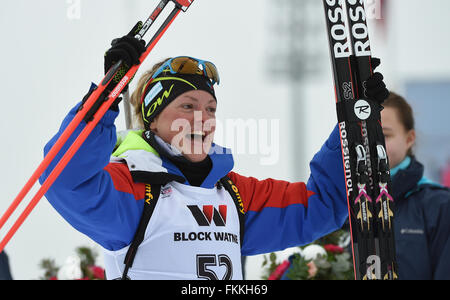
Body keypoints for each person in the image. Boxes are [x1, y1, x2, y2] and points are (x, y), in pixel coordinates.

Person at [39, 30, 388, 280]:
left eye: (210, 109)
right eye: (187, 106)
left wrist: (355, 121)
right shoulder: (132, 188)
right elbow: (66, 181)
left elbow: (320, 205)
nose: (201, 119)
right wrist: (103, 100)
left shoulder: (234, 194)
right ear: (153, 119)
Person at [381, 92, 450, 280]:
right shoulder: (336, 207)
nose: (373, 144)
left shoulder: (441, 206)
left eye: (384, 135)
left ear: (409, 138)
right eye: (363, 134)